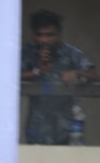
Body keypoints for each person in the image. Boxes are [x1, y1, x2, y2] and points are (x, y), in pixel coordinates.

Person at [21, 11, 95, 147]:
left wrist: (78, 73)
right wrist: (38, 71)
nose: (44, 40)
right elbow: (9, 76)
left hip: (67, 132)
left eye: (49, 35)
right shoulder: (29, 52)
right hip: (36, 131)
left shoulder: (70, 52)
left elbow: (93, 75)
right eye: (40, 35)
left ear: (59, 35)